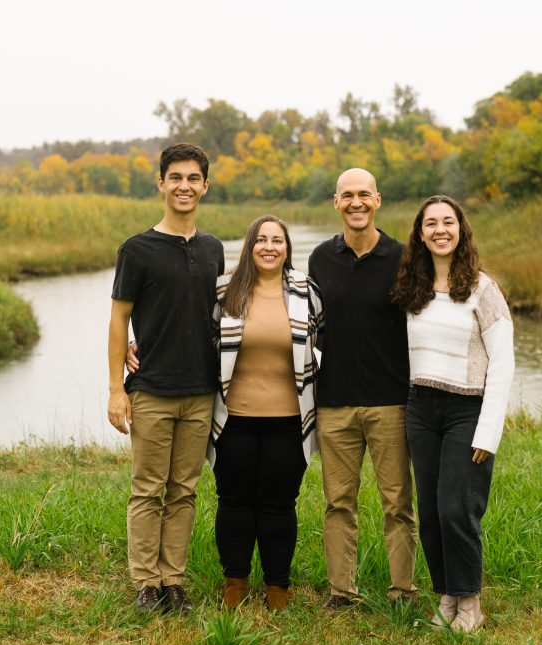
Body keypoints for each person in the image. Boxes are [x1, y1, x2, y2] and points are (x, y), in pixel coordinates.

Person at [107, 142, 223, 615]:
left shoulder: (213, 248)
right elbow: (119, 319)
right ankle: (146, 584)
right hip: (152, 389)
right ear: (161, 183)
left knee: (184, 491)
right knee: (148, 489)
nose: (184, 186)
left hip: (201, 392)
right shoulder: (136, 250)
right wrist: (116, 388)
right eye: (175, 177)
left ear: (205, 186)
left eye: (193, 178)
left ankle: (173, 580)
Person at [391, 194, 514, 631]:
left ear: (460, 230)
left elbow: (503, 363)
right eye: (431, 224)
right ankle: (447, 595)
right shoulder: (414, 288)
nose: (440, 230)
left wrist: (488, 432)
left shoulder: (483, 289)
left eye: (448, 222)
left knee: (456, 510)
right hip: (421, 409)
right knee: (429, 513)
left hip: (468, 410)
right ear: (420, 234)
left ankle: (471, 603)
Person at [308, 168, 417, 610]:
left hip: (391, 401)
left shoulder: (404, 257)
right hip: (334, 402)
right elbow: (306, 324)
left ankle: (402, 592)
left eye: (364, 195)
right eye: (347, 195)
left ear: (377, 200)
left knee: (398, 504)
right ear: (336, 202)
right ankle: (341, 592)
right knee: (338, 503)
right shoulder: (320, 258)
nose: (356, 202)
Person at [209, 215, 321, 611]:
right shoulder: (224, 290)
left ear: (287, 248)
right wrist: (136, 345)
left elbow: (332, 338)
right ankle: (234, 583)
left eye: (277, 240)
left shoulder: (306, 291)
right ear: (249, 246)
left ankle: (277, 588)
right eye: (261, 240)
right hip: (233, 419)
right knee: (233, 502)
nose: (269, 247)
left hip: (290, 421)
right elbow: (197, 337)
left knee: (279, 505)